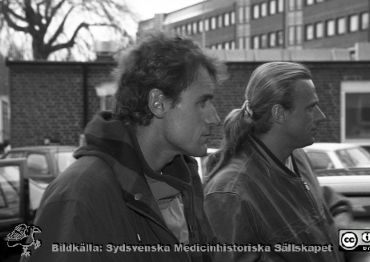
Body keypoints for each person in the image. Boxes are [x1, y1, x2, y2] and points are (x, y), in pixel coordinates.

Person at [23, 34, 223, 262]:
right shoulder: (79, 196)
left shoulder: (183, 184)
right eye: (202, 102)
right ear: (158, 103)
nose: (215, 118)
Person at [203, 62, 348, 261]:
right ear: (279, 113)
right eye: (311, 108)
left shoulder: (298, 158)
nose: (321, 116)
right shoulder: (230, 193)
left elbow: (325, 212)